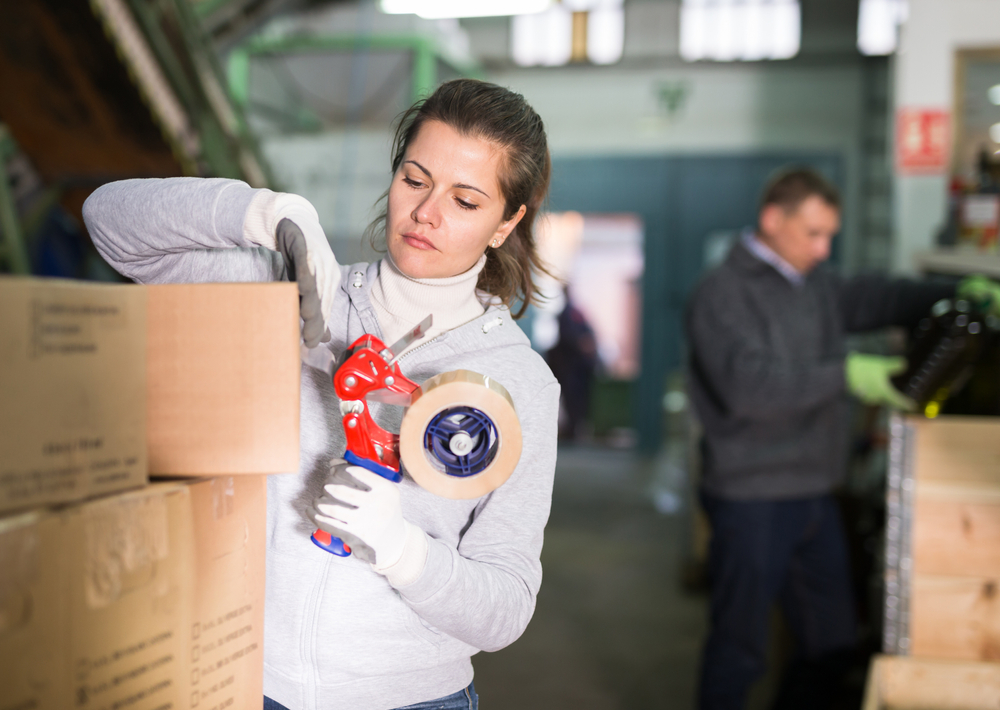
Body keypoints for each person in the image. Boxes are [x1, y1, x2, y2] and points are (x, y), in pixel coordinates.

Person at [83, 79, 560, 710]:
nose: (426, 213)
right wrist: (264, 213)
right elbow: (109, 222)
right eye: (415, 180)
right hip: (251, 684)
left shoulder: (519, 383)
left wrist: (401, 551)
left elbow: (504, 610)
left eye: (466, 200)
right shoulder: (294, 290)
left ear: (506, 224)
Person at [685, 167, 1000, 710]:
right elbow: (746, 388)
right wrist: (850, 373)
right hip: (751, 496)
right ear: (771, 220)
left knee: (830, 645)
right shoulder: (722, 293)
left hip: (814, 492)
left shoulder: (817, 285)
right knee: (739, 652)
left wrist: (956, 290)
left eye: (829, 234)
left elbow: (882, 296)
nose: (823, 248)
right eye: (813, 234)